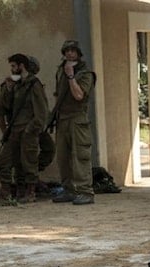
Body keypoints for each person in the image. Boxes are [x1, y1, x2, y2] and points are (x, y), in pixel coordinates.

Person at [0, 53, 49, 203]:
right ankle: (7, 193)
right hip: (14, 131)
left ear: (21, 66)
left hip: (28, 130)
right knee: (3, 163)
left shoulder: (33, 84)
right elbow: (4, 108)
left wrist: (31, 129)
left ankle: (30, 192)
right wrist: (8, 90)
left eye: (13, 66)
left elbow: (41, 111)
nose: (11, 69)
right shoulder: (12, 84)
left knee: (29, 162)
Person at [50, 40, 97, 205]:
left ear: (78, 53)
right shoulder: (60, 71)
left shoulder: (85, 74)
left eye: (73, 50)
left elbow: (79, 96)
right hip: (62, 119)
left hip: (77, 119)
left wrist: (71, 76)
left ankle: (85, 191)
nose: (70, 53)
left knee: (80, 156)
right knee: (63, 157)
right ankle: (69, 189)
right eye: (67, 50)